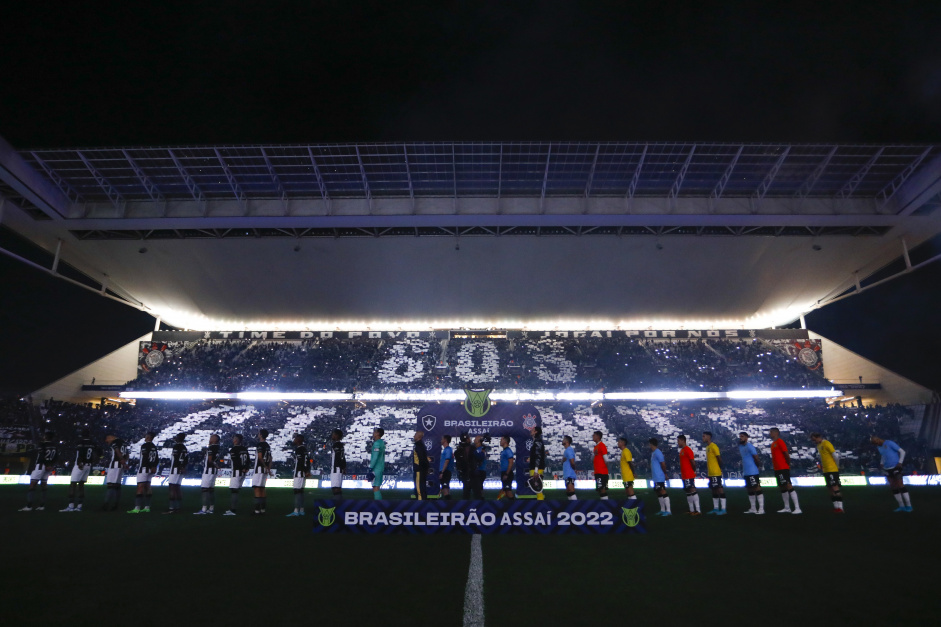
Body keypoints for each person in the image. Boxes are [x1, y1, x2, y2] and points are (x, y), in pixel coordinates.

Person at [60, 429, 98, 513]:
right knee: (81, 485)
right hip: (88, 465)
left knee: (73, 484)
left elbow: (80, 453)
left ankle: (71, 506)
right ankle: (79, 506)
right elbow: (98, 453)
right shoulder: (92, 443)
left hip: (80, 465)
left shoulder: (81, 443)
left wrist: (80, 463)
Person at [871, 436, 912, 512]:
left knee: (900, 484)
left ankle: (909, 505)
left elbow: (902, 452)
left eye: (875, 441)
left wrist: (900, 463)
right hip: (887, 468)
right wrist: (881, 463)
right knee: (893, 486)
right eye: (874, 443)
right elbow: (883, 455)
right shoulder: (879, 447)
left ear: (878, 439)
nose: (876, 443)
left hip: (896, 467)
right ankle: (901, 506)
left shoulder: (889, 443)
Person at [20, 431, 58, 512]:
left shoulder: (42, 444)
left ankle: (29, 506)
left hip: (41, 465)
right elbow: (56, 456)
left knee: (33, 484)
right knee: (44, 484)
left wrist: (46, 464)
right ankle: (42, 505)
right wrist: (51, 465)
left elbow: (41, 455)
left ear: (46, 437)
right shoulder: (55, 446)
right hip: (49, 466)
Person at [769, 428, 800, 514]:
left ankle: (797, 508)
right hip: (777, 468)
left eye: (771, 432)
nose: (770, 433)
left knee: (788, 485)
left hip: (783, 468)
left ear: (776, 433)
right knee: (782, 487)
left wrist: (787, 464)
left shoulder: (780, 442)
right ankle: (787, 507)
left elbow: (786, 454)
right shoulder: (773, 444)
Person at [811, 433, 843, 513]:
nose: (813, 441)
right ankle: (836, 507)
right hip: (826, 470)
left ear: (818, 437)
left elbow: (835, 456)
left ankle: (840, 507)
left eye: (814, 439)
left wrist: (837, 466)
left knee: (835, 487)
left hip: (832, 469)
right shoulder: (819, 445)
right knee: (830, 488)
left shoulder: (827, 443)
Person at [129, 432, 158, 514]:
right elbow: (156, 458)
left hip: (144, 468)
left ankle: (137, 508)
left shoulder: (145, 446)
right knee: (148, 486)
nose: (145, 437)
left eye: (146, 436)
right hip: (151, 469)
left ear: (148, 437)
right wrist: (154, 466)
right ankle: (147, 507)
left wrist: (148, 466)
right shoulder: (154, 446)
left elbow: (145, 458)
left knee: (140, 487)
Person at [194, 434, 221, 515]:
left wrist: (214, 464)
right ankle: (211, 508)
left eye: (211, 437)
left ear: (215, 439)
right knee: (211, 490)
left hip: (208, 471)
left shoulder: (211, 447)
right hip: (214, 471)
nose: (210, 438)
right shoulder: (218, 447)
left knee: (205, 489)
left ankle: (204, 508)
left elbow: (210, 460)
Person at [738, 432, 764, 515]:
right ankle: (753, 508)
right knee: (749, 489)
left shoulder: (750, 446)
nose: (740, 438)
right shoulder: (740, 447)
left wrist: (757, 467)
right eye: (740, 436)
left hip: (752, 471)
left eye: (742, 436)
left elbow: (756, 458)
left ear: (746, 438)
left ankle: (761, 508)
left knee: (756, 488)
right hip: (746, 472)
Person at [224, 434, 250, 516]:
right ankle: (232, 509)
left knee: (234, 490)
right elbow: (248, 460)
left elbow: (236, 460)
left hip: (237, 471)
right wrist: (245, 468)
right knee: (236, 490)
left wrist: (241, 467)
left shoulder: (233, 449)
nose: (233, 440)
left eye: (234, 439)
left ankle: (233, 510)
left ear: (237, 440)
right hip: (243, 471)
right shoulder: (244, 449)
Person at [102, 435, 129, 512]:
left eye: (107, 440)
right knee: (117, 485)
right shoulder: (123, 442)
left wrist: (121, 460)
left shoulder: (114, 442)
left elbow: (117, 451)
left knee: (111, 484)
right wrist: (125, 462)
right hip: (121, 465)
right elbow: (127, 454)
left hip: (115, 464)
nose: (107, 442)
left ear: (110, 437)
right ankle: (116, 505)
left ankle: (105, 505)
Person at [702, 431, 726, 515]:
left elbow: (719, 458)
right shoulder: (707, 447)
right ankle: (715, 508)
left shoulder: (713, 446)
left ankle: (723, 509)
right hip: (711, 473)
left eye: (704, 436)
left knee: (719, 489)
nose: (703, 438)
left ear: (709, 437)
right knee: (714, 490)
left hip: (716, 472)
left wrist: (720, 468)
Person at [287, 434, 311, 516]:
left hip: (299, 473)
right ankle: (301, 510)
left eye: (295, 438)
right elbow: (307, 461)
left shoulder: (300, 450)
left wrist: (305, 471)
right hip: (301, 473)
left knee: (297, 491)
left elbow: (302, 462)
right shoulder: (303, 449)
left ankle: (296, 511)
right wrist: (307, 470)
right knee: (300, 491)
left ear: (298, 440)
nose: (293, 440)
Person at [165, 433, 188, 514]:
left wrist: (180, 467)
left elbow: (177, 459)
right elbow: (186, 459)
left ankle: (172, 508)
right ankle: (178, 507)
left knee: (172, 487)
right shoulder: (184, 447)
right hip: (180, 469)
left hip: (175, 469)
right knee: (177, 488)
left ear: (178, 438)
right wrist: (183, 467)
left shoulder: (176, 447)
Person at [677, 435, 700, 515]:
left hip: (688, 474)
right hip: (684, 474)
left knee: (692, 489)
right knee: (688, 491)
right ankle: (691, 510)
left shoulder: (688, 450)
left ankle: (698, 510)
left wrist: (693, 470)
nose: (678, 443)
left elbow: (692, 462)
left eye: (678, 441)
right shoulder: (682, 451)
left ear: (683, 440)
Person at [649, 438, 671, 516]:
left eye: (649, 444)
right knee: (658, 492)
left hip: (659, 476)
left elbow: (663, 464)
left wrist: (665, 474)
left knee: (662, 491)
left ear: (651, 444)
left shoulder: (658, 452)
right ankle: (662, 509)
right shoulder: (654, 453)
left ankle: (668, 510)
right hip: (655, 476)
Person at [252, 429, 272, 515]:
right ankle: (263, 509)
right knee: (262, 488)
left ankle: (257, 510)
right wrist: (268, 468)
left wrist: (265, 466)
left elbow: (260, 457)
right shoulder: (267, 445)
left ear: (260, 435)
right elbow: (271, 458)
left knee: (257, 488)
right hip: (264, 470)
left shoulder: (260, 445)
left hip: (259, 469)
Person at [527, 427, 546, 500]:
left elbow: (538, 456)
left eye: (532, 430)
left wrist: (536, 470)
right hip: (536, 467)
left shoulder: (538, 442)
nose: (530, 430)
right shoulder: (537, 441)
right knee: (537, 489)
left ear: (536, 432)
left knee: (538, 489)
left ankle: (540, 506)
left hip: (537, 468)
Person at [617, 437, 637, 503]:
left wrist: (633, 473)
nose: (618, 443)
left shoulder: (626, 451)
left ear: (623, 443)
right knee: (628, 492)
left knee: (630, 491)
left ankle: (635, 506)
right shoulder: (623, 451)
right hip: (625, 476)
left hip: (628, 475)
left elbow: (630, 462)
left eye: (619, 442)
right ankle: (631, 505)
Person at [592, 431, 609, 500]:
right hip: (598, 471)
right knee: (600, 489)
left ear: (598, 437)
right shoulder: (596, 447)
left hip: (601, 472)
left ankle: (606, 505)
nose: (593, 437)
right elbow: (592, 459)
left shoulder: (602, 445)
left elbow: (606, 459)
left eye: (594, 435)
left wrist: (605, 469)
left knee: (602, 489)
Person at [369, 428, 386, 500]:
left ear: (378, 434)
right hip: (380, 467)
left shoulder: (377, 444)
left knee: (375, 487)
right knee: (377, 487)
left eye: (374, 432)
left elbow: (375, 457)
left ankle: (378, 506)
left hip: (376, 468)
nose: (373, 433)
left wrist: (371, 467)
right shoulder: (382, 442)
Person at [329, 428, 346, 500]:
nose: (332, 436)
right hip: (337, 469)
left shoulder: (337, 445)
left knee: (336, 488)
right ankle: (339, 504)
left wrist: (342, 467)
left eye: (333, 434)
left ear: (336, 435)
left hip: (337, 469)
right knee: (336, 487)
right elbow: (342, 457)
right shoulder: (339, 445)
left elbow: (340, 457)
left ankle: (338, 505)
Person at [413, 430, 429, 500]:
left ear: (419, 437)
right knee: (421, 487)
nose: (414, 436)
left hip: (419, 470)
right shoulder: (421, 445)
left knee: (419, 489)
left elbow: (421, 458)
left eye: (415, 435)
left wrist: (420, 468)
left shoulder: (418, 446)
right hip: (421, 469)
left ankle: (420, 505)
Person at [497, 436, 515, 500]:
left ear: (505, 441)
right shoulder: (504, 451)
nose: (500, 441)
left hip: (507, 473)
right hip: (504, 473)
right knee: (506, 491)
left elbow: (511, 462)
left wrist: (507, 474)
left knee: (508, 491)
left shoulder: (508, 451)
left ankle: (515, 507)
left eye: (501, 440)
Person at [454, 433, 471, 499]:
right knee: (467, 489)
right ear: (466, 439)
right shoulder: (460, 450)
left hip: (468, 471)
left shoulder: (470, 448)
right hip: (465, 471)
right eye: (469, 438)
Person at [562, 435, 577, 500]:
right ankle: (571, 508)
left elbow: (572, 461)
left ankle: (576, 506)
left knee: (571, 490)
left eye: (564, 439)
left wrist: (573, 469)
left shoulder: (569, 450)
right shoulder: (567, 450)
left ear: (567, 441)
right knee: (568, 491)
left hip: (569, 474)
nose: (562, 440)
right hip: (567, 474)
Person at [439, 435, 454, 499]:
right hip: (444, 471)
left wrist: (442, 472)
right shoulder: (446, 450)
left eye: (442, 439)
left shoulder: (448, 449)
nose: (441, 440)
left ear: (445, 440)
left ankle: (449, 504)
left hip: (445, 471)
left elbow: (447, 460)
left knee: (445, 489)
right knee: (444, 487)